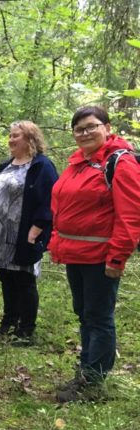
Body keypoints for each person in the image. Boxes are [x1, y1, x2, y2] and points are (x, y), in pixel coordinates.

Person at [49, 106, 140, 402]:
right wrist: (56, 242)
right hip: (76, 253)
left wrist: (117, 257)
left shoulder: (120, 163)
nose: (85, 133)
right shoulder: (78, 163)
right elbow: (63, 208)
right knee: (84, 313)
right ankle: (86, 369)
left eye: (91, 126)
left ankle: (93, 381)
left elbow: (130, 215)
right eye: (79, 129)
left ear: (107, 127)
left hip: (101, 256)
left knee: (98, 317)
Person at [0, 121, 58, 347]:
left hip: (23, 234)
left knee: (24, 279)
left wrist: (36, 229)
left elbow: (50, 200)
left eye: (16, 136)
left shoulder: (41, 165)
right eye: (10, 136)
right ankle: (8, 323)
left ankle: (26, 331)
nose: (11, 140)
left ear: (30, 138)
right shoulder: (5, 165)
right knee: (6, 277)